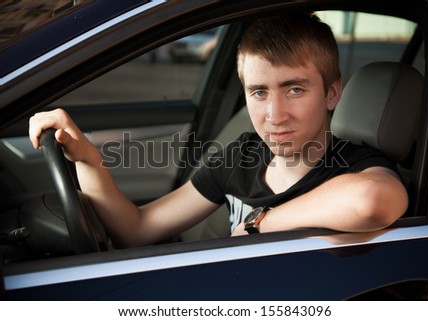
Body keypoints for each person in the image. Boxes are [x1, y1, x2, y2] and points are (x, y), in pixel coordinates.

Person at [29, 14, 408, 247]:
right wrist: (90, 162)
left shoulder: (353, 165)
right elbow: (138, 229)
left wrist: (260, 224)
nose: (275, 115)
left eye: (295, 89)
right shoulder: (241, 157)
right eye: (259, 92)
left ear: (331, 93)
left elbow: (371, 202)